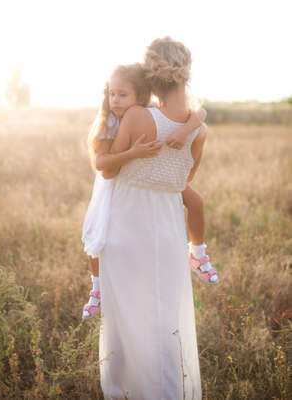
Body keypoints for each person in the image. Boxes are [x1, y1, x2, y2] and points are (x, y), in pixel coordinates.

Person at [98, 36, 207, 399]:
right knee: (165, 316)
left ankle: (127, 391)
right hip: (167, 228)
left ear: (151, 76)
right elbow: (183, 182)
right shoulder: (199, 129)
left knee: (127, 317)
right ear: (185, 75)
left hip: (126, 225)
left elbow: (108, 172)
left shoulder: (136, 115)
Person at [82, 64, 210, 321]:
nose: (115, 100)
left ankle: (198, 253)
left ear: (141, 97)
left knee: (196, 201)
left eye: (122, 95)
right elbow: (102, 165)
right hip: (112, 184)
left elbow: (200, 111)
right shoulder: (108, 122)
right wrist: (133, 153)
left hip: (157, 181)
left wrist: (186, 129)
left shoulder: (150, 111)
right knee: (97, 236)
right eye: (112, 94)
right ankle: (97, 289)